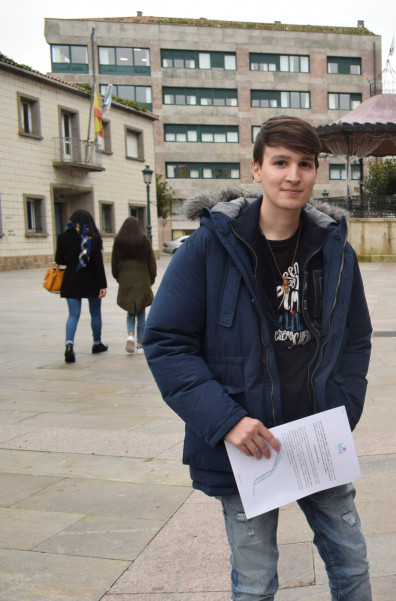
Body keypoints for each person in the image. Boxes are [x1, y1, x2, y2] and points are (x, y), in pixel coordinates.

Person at [143, 115, 373, 601]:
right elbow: (166, 341)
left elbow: (356, 337)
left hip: (315, 435)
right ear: (256, 169)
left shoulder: (333, 248)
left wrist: (344, 408)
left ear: (316, 172)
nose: (293, 175)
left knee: (352, 568)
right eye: (281, 162)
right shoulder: (211, 245)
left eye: (305, 164)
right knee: (255, 582)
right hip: (246, 444)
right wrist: (228, 421)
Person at [55, 208, 108, 363]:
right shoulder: (94, 238)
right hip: (92, 280)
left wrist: (73, 261)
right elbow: (98, 263)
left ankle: (69, 345)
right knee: (95, 313)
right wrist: (102, 285)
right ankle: (97, 343)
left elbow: (59, 259)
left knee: (73, 314)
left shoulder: (63, 236)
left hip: (71, 279)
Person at [111, 217, 156, 354]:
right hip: (142, 278)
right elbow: (151, 261)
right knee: (141, 311)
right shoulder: (144, 241)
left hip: (125, 278)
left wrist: (118, 277)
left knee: (130, 309)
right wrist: (152, 277)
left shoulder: (119, 241)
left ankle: (130, 334)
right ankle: (140, 344)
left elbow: (114, 263)